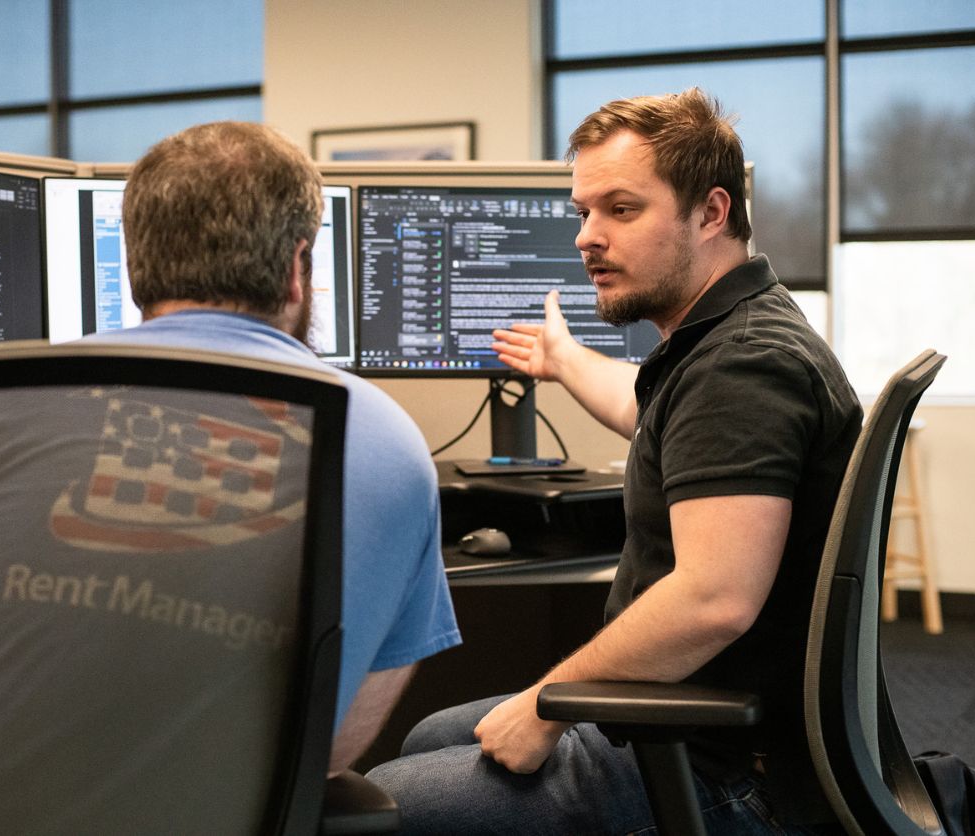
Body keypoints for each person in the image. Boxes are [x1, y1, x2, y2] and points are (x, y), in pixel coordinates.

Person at [0, 121, 460, 833]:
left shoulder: (3, 396)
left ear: (134, 259)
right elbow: (327, 748)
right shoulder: (380, 434)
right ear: (300, 267)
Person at [366, 88, 862, 833]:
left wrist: (545, 704)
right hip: (699, 725)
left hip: (720, 772)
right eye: (583, 211)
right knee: (431, 737)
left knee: (381, 807)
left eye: (621, 210)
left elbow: (712, 599)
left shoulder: (742, 369)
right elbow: (648, 411)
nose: (586, 238)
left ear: (712, 212)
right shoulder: (731, 336)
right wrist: (566, 361)